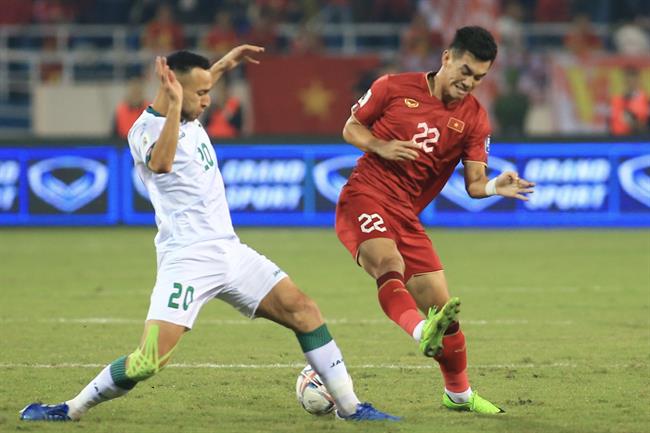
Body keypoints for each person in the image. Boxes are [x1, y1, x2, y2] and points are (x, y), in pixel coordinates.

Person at [19, 46, 398, 423]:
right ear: (175, 93)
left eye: (207, 90)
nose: (208, 100)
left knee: (304, 310)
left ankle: (351, 408)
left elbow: (197, 87)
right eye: (200, 93)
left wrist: (224, 63)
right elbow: (162, 163)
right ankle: (70, 409)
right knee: (148, 361)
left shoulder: (188, 106)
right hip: (187, 260)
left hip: (230, 252)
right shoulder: (146, 129)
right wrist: (171, 106)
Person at [335, 26, 535, 415]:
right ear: (446, 58)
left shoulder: (475, 119)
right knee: (388, 265)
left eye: (478, 77)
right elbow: (350, 128)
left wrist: (496, 186)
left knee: (445, 314)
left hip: (407, 217)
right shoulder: (392, 87)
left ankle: (458, 395)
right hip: (365, 195)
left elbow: (474, 186)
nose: (469, 82)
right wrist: (381, 146)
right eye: (464, 71)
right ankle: (417, 330)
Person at [609, 67, 649, 136]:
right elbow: (613, 123)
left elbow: (644, 124)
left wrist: (633, 122)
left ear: (638, 81)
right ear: (624, 81)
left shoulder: (645, 100)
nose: (630, 84)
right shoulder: (616, 100)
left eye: (633, 81)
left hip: (639, 140)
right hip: (618, 140)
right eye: (628, 81)